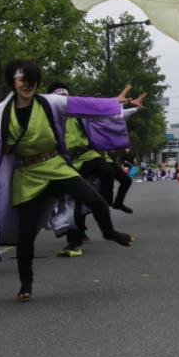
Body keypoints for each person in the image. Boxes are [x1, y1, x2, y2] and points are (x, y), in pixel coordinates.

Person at [0, 60, 135, 302]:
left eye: (31, 81)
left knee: (96, 200)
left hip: (55, 166)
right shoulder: (1, 114)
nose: (27, 85)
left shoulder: (50, 102)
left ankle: (109, 232)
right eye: (22, 80)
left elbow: (85, 105)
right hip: (27, 174)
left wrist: (114, 103)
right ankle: (25, 284)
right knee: (26, 235)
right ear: (13, 82)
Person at [47, 82, 143, 257]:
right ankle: (74, 240)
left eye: (65, 96)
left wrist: (127, 105)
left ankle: (105, 202)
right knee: (72, 201)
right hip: (64, 162)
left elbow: (103, 113)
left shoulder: (78, 113)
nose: (63, 99)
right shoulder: (47, 118)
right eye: (58, 97)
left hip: (86, 155)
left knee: (107, 171)